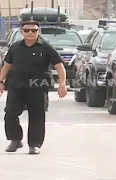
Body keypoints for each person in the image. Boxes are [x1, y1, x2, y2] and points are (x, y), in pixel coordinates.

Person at [0, 20, 67, 154]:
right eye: (27, 30)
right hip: (17, 86)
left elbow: (59, 66)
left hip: (38, 87)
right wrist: (1, 82)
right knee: (10, 113)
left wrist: (62, 84)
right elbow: (7, 65)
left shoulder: (46, 47)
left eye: (34, 30)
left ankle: (34, 145)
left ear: (39, 32)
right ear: (21, 32)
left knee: (37, 116)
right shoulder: (15, 47)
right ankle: (15, 139)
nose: (30, 33)